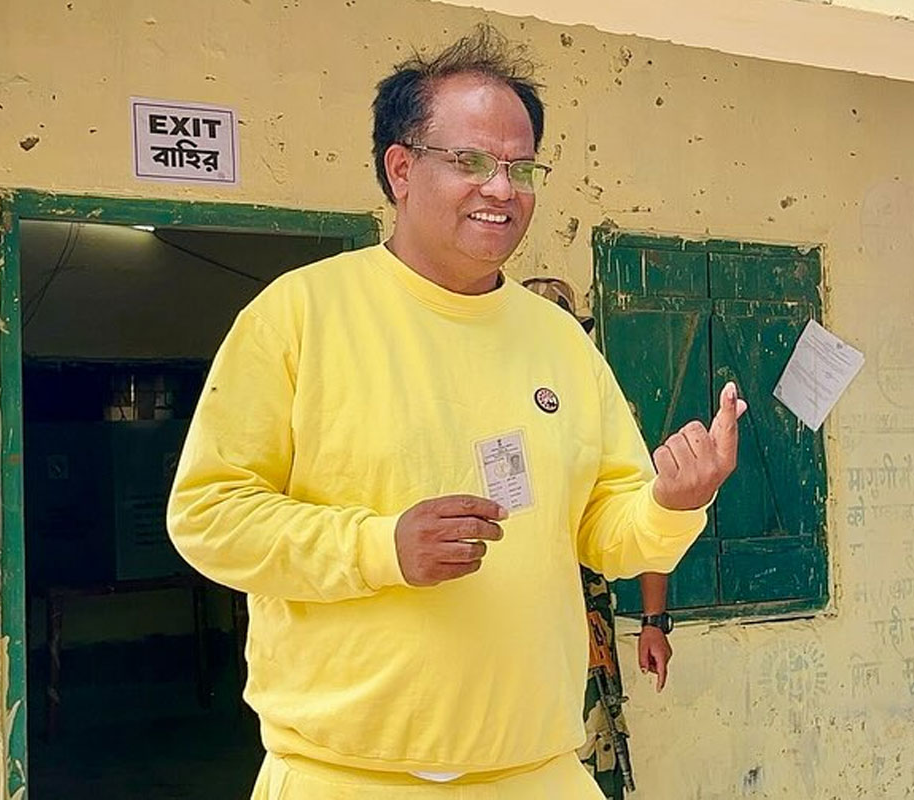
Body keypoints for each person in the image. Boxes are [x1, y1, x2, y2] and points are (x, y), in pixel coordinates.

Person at [166, 25, 745, 800]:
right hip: (344, 778)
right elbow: (209, 517)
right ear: (400, 169)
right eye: (471, 162)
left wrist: (675, 503)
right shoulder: (300, 316)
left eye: (520, 167)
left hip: (537, 774)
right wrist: (380, 548)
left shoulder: (559, 343)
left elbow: (607, 532)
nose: (502, 189)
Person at [522, 276, 674, 799]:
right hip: (507, 615)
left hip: (584, 610)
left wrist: (653, 621)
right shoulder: (482, 399)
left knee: (594, 745)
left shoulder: (603, 407)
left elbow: (647, 513)